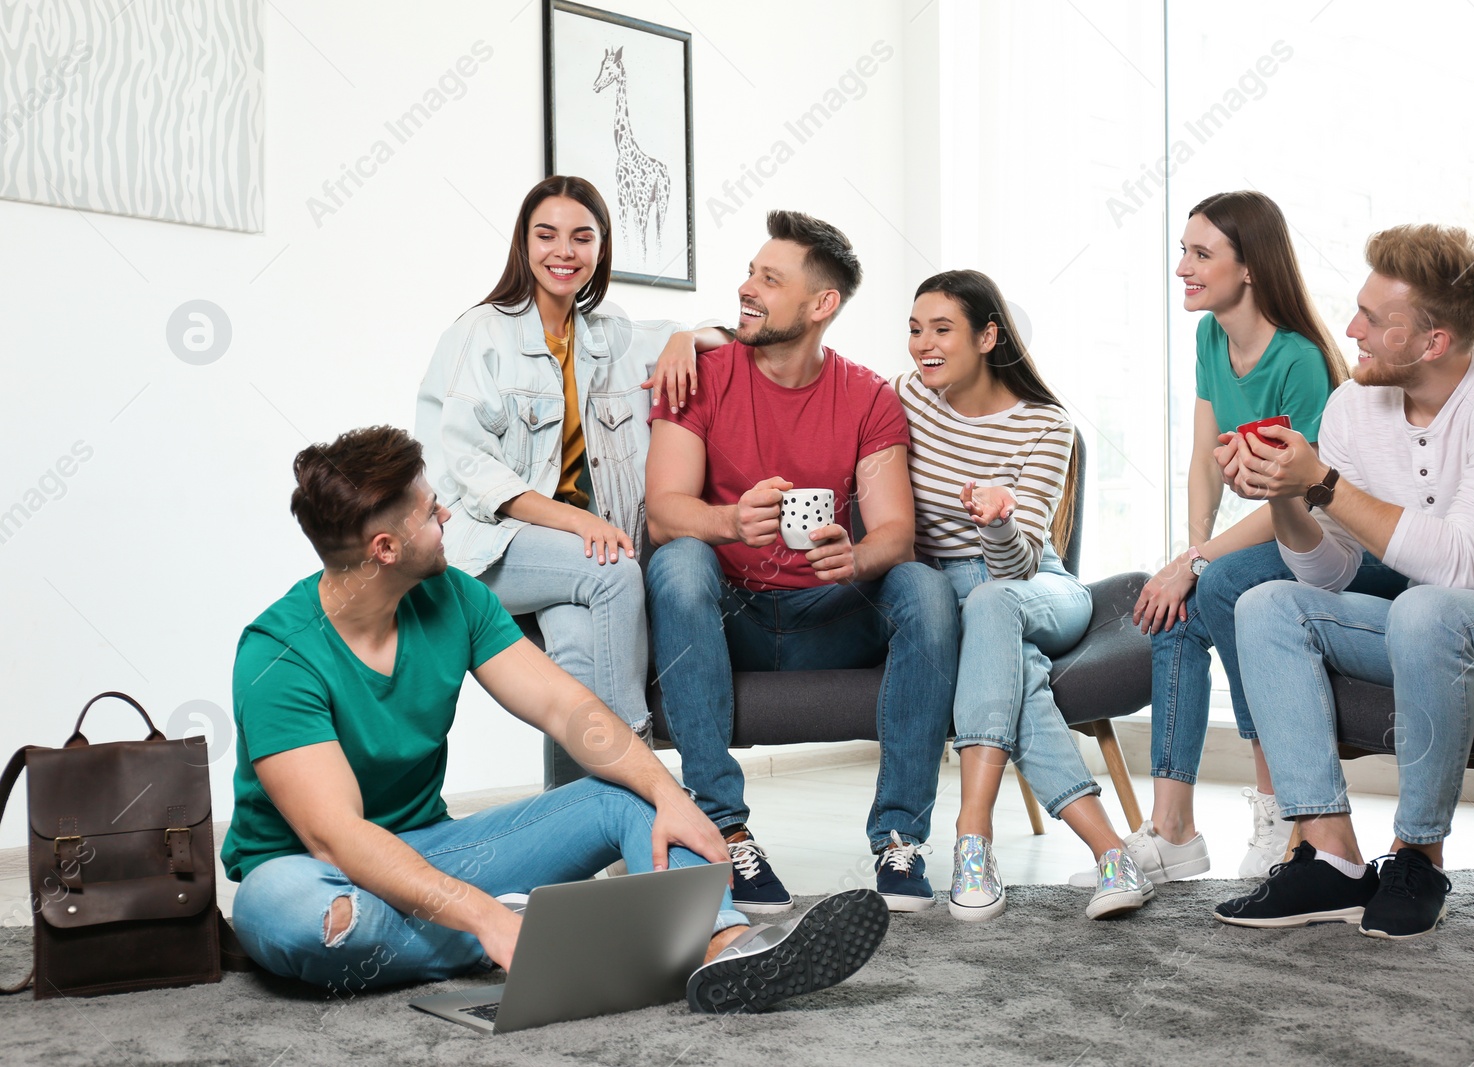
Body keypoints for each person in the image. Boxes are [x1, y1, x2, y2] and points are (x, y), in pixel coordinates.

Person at [221, 426, 887, 1011]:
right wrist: (481, 912)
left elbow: (566, 708)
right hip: (310, 869)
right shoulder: (279, 655)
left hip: (432, 849)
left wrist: (665, 791)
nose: (446, 513)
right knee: (318, 923)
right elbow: (337, 836)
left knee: (630, 796)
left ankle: (726, 945)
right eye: (430, 511)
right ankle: (549, 934)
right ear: (387, 547)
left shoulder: (454, 595)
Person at [1213, 224, 1474, 938]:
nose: (1350, 330)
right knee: (1267, 603)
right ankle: (1329, 858)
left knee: (1428, 608)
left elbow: (1463, 564)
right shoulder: (1354, 405)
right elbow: (1328, 571)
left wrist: (1323, 481)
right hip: (1430, 624)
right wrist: (1281, 491)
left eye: (1373, 321)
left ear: (1434, 343)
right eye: (1357, 308)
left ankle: (1418, 856)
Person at [643, 210, 960, 916]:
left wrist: (856, 557)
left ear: (822, 305)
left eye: (769, 278)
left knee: (922, 587)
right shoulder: (699, 376)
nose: (747, 288)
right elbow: (664, 511)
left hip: (830, 613)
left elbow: (895, 533)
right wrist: (730, 521)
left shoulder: (869, 397)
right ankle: (725, 830)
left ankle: (900, 837)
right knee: (679, 562)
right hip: (733, 614)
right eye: (751, 272)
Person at [1090, 190, 1403, 891]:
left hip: (1333, 542)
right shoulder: (1210, 339)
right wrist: (1188, 552)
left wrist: (1201, 561)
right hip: (1267, 534)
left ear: (1251, 267)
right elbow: (1207, 455)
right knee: (1173, 602)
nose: (1182, 268)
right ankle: (1172, 828)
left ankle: (1278, 811)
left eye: (1201, 254)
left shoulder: (1300, 360)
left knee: (1216, 582)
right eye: (1183, 251)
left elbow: (1302, 496)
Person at [416, 175, 729, 762]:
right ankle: (642, 774)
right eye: (547, 235)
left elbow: (733, 336)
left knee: (578, 662)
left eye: (581, 237)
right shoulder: (479, 332)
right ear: (523, 243)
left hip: (561, 553)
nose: (564, 251)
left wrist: (687, 336)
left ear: (601, 248)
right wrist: (575, 523)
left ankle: (582, 834)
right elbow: (469, 468)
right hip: (484, 544)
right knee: (613, 571)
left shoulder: (608, 335)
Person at [898, 269, 1152, 921]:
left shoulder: (1045, 424)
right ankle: (1113, 856)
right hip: (957, 595)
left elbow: (1014, 570)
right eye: (915, 328)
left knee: (992, 604)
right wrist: (697, 336)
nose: (924, 343)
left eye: (943, 329)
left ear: (988, 336)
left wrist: (999, 520)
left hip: (1038, 582)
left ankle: (971, 838)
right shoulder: (906, 399)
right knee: (1022, 677)